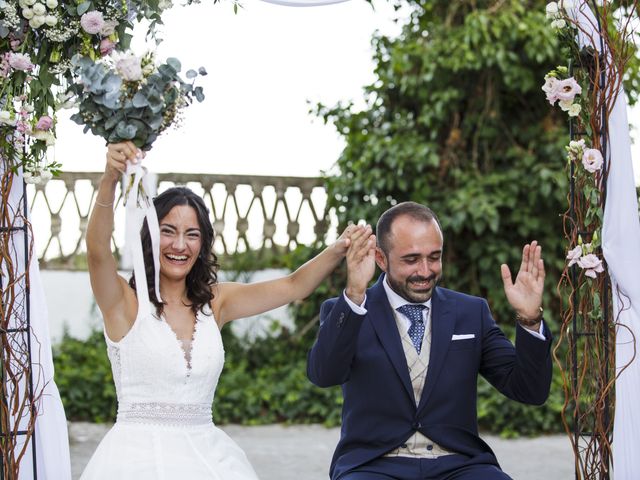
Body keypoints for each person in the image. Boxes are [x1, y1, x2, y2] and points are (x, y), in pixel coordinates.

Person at [80, 141, 373, 480]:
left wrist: (339, 249)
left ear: (202, 244)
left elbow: (294, 286)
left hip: (209, 460)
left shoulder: (216, 303)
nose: (179, 245)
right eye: (168, 232)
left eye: (192, 235)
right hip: (136, 460)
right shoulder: (123, 302)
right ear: (149, 236)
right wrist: (110, 179)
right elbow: (97, 250)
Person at [307, 201, 553, 480]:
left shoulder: (471, 312)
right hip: (374, 466)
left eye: (434, 257)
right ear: (380, 258)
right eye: (411, 260)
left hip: (459, 465)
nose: (425, 271)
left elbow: (530, 391)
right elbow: (323, 375)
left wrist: (529, 319)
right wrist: (353, 295)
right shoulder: (350, 310)